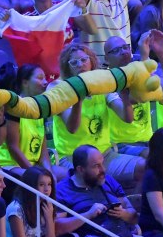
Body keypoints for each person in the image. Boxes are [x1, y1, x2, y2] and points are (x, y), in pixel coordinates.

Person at [55, 145, 163, 237]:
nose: (103, 169)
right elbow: (58, 227)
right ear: (80, 169)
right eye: (96, 166)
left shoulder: (107, 180)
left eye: (102, 163)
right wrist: (88, 215)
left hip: (121, 233)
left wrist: (124, 214)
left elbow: (133, 215)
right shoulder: (63, 190)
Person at [51, 44, 145, 187]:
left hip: (104, 155)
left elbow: (127, 118)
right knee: (94, 178)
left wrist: (125, 97)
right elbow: (72, 128)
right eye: (74, 62)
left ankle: (132, 200)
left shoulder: (101, 84)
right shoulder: (60, 88)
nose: (80, 65)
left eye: (84, 60)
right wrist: (79, 97)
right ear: (67, 67)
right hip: (74, 159)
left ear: (91, 61)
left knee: (144, 167)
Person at [10, 0, 96, 82]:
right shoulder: (27, 19)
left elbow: (92, 30)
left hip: (70, 71)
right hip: (44, 76)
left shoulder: (64, 8)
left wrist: (83, 9)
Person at [106, 30, 163, 158]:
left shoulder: (139, 72)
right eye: (116, 50)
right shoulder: (107, 80)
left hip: (148, 141)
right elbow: (137, 97)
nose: (123, 52)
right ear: (106, 59)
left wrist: (161, 53)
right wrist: (144, 57)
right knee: (155, 156)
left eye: (125, 47)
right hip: (121, 145)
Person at [0, 63, 68, 179]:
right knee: (39, 181)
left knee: (69, 176)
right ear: (25, 82)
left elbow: (43, 152)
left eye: (45, 78)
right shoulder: (15, 107)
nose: (45, 82)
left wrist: (49, 173)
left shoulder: (40, 109)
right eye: (40, 78)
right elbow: (13, 148)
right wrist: (35, 174)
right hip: (9, 165)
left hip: (34, 166)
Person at [6, 166, 58, 237]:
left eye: (49, 184)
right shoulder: (16, 209)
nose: (47, 189)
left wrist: (49, 219)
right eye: (41, 185)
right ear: (30, 186)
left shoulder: (47, 206)